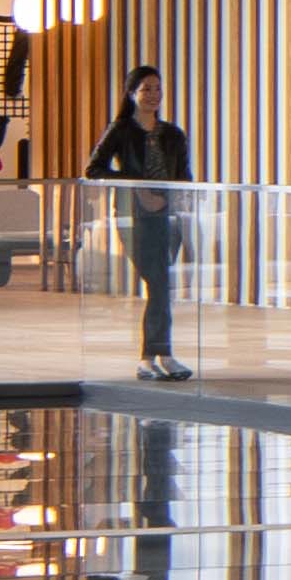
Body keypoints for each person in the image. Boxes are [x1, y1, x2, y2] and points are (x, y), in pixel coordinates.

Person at [92, 64, 196, 383]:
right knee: (159, 283)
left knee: (162, 285)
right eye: (145, 89)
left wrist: (172, 200)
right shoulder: (121, 130)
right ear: (132, 93)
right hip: (136, 216)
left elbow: (185, 176)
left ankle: (154, 356)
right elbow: (94, 169)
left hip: (168, 216)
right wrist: (136, 184)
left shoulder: (173, 134)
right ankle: (155, 355)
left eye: (156, 88)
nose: (152, 95)